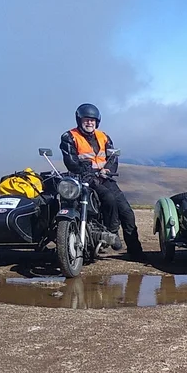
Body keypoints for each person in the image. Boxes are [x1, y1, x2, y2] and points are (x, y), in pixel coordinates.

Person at [59, 103, 142, 259]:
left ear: (97, 121)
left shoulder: (104, 136)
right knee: (108, 199)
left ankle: (135, 251)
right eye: (86, 119)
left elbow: (113, 157)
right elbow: (71, 162)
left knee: (127, 213)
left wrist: (107, 170)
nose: (89, 123)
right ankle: (112, 233)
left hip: (105, 178)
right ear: (79, 120)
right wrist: (91, 171)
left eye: (93, 120)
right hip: (85, 179)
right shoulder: (69, 137)